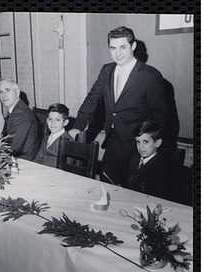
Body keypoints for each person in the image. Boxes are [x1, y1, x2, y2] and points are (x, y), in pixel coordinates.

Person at [69, 26, 168, 185]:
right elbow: (91, 100)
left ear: (133, 46)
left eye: (123, 47)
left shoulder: (150, 75)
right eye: (113, 48)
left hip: (137, 145)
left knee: (133, 195)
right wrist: (78, 126)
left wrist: (148, 144)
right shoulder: (106, 70)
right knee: (107, 186)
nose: (118, 53)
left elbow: (161, 116)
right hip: (113, 142)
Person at [122, 120, 169, 199]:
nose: (140, 147)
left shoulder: (161, 167)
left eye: (145, 142)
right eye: (138, 142)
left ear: (157, 143)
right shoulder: (135, 159)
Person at [0, 79, 38, 161]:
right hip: (15, 158)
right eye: (1, 92)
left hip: (22, 161)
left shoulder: (20, 113)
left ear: (17, 93)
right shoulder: (16, 109)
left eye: (7, 90)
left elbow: (13, 147)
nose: (3, 95)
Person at [33, 103, 73, 167]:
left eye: (57, 120)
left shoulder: (68, 142)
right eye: (50, 119)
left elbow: (66, 167)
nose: (53, 123)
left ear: (65, 122)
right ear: (46, 120)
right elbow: (38, 158)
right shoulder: (46, 138)